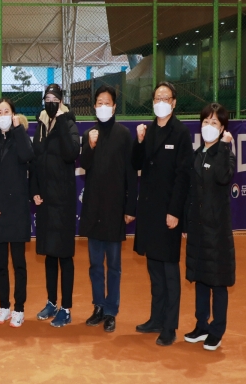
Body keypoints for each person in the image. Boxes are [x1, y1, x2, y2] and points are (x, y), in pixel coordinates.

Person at [132, 81, 193, 346]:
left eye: (165, 97)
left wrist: (175, 212)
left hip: (168, 212)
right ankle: (156, 319)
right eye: (157, 97)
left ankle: (169, 326)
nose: (160, 101)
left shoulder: (181, 133)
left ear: (174, 102)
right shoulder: (149, 130)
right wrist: (139, 141)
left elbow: (183, 177)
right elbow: (136, 163)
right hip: (149, 212)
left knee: (169, 270)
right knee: (154, 268)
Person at [79, 85, 138, 333]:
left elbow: (131, 174)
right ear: (94, 107)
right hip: (93, 209)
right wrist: (90, 146)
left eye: (107, 103)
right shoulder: (88, 134)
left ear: (114, 107)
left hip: (114, 209)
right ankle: (98, 307)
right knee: (95, 264)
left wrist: (130, 207)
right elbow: (84, 165)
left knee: (113, 265)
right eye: (99, 103)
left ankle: (111, 310)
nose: (103, 106)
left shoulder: (124, 135)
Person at [183, 103, 235, 351]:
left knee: (218, 281)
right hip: (197, 228)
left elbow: (223, 177)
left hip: (217, 231)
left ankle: (217, 330)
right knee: (201, 279)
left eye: (214, 122)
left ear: (223, 128)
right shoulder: (197, 154)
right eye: (205, 121)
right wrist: (186, 222)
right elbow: (190, 193)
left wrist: (225, 146)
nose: (209, 126)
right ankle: (201, 325)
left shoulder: (225, 154)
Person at [30, 84, 80, 328]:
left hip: (63, 200)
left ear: (61, 101)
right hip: (45, 201)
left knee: (64, 255)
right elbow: (35, 159)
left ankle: (66, 308)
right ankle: (51, 302)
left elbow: (71, 153)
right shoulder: (40, 124)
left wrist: (60, 122)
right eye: (47, 98)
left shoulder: (68, 123)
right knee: (49, 254)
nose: (50, 102)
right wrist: (35, 190)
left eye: (54, 98)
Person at [0, 98, 34, 327]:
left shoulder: (20, 136)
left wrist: (17, 128)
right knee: (0, 264)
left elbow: (27, 156)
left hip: (17, 211)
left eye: (6, 111)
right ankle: (4, 306)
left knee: (19, 263)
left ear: (14, 114)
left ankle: (19, 308)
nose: (2, 115)